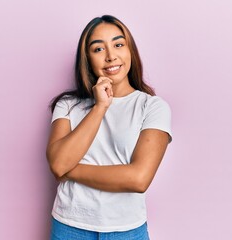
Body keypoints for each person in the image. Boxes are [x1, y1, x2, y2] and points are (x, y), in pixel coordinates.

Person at [46, 15, 172, 240]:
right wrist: (100, 107)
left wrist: (69, 170)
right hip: (69, 227)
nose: (111, 56)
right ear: (87, 58)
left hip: (127, 230)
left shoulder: (152, 107)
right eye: (98, 49)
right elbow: (57, 164)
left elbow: (139, 179)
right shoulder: (68, 104)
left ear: (130, 50)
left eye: (118, 44)